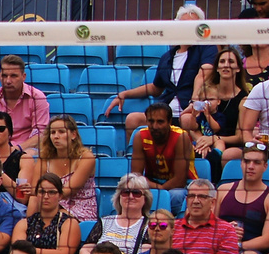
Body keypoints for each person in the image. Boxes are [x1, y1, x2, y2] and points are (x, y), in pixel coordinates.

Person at [105, 25, 217, 137]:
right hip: (164, 113)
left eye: (191, 25)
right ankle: (134, 154)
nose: (187, 28)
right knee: (132, 120)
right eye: (183, 25)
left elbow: (204, 74)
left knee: (187, 120)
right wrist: (124, 94)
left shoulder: (206, 48)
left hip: (189, 113)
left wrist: (194, 102)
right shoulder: (167, 57)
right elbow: (155, 88)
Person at [183, 46, 249, 180]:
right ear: (217, 67)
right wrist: (202, 140)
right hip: (203, 138)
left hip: (229, 144)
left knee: (227, 154)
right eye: (222, 61)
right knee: (184, 120)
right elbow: (188, 119)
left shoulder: (243, 98)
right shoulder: (207, 91)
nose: (226, 65)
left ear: (238, 68)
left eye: (231, 62)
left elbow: (240, 137)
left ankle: (220, 182)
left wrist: (214, 139)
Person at [12, 173, 83, 254]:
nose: (46, 196)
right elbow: (17, 252)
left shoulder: (69, 223)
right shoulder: (24, 223)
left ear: (60, 196)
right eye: (41, 192)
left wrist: (30, 253)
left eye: (51, 192)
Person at [171, 178, 241, 254]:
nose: (196, 201)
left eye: (202, 197)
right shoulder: (172, 227)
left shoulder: (226, 230)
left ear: (212, 202)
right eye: (192, 196)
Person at [217, 143, 269, 254]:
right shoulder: (223, 190)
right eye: (247, 161)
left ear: (265, 166)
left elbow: (266, 240)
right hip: (220, 244)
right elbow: (211, 223)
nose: (251, 167)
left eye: (257, 162)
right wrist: (226, 229)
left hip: (249, 249)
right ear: (241, 164)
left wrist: (238, 245)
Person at [131, 102, 192, 213]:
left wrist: (160, 191)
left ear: (169, 122)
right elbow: (136, 176)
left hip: (180, 185)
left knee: (176, 195)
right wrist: (157, 188)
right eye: (151, 121)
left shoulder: (181, 137)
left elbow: (180, 180)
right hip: (152, 182)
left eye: (160, 122)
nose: (155, 126)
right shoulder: (140, 136)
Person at [0, 55, 49, 152]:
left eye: (13, 76)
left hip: (27, 148)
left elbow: (41, 135)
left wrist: (15, 150)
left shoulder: (37, 97)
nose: (8, 81)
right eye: (4, 76)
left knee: (30, 153)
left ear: (23, 76)